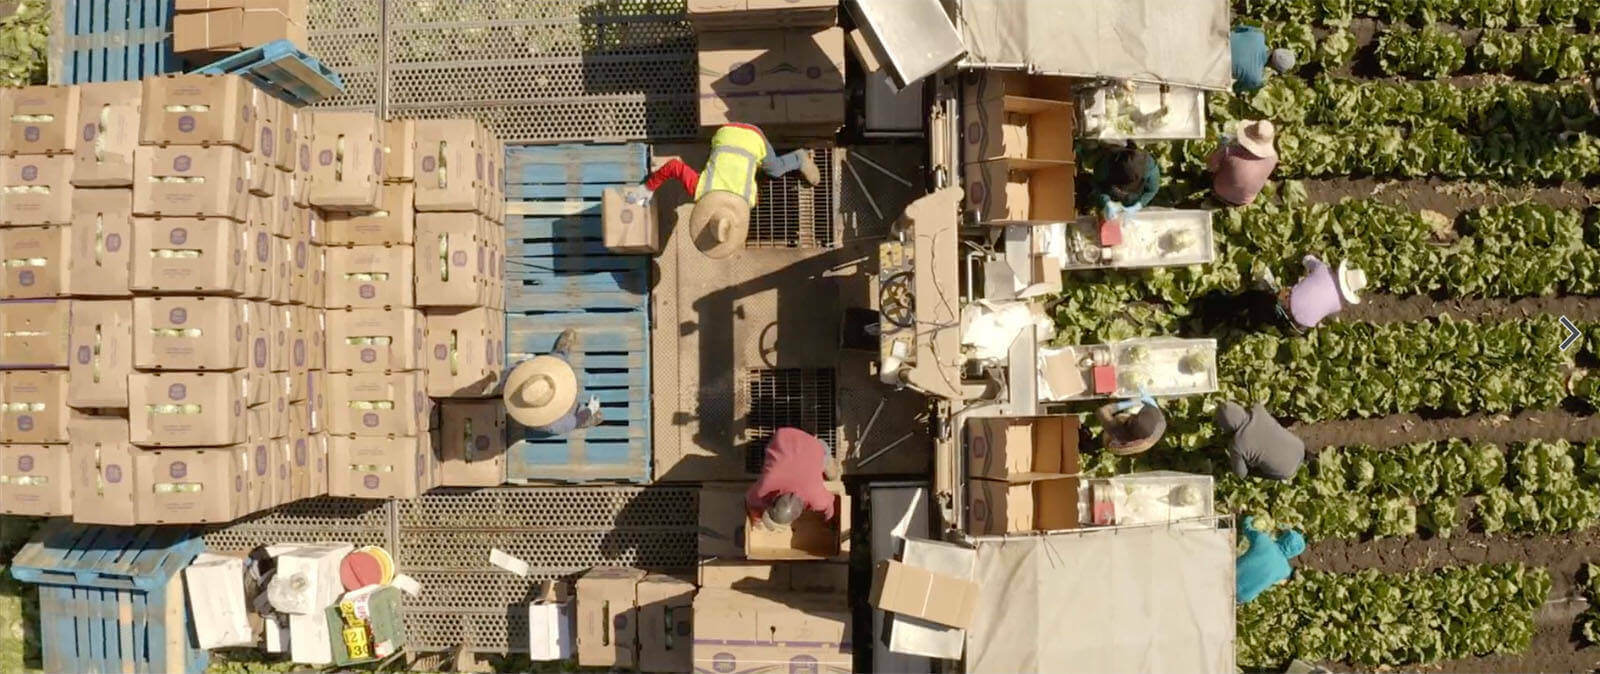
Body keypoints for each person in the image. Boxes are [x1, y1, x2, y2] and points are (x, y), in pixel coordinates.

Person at [635, 123, 821, 258]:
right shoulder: (700, 189)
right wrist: (647, 187)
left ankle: (799, 158)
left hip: (754, 136)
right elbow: (674, 166)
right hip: (724, 132)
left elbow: (754, 188)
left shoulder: (749, 199)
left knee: (774, 170)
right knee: (713, 161)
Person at [503, 329, 602, 435]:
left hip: (541, 379)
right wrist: (590, 410)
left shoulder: (513, 380)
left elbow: (512, 370)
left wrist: (523, 362)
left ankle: (561, 351)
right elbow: (575, 420)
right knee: (583, 415)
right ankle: (588, 420)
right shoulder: (552, 425)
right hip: (564, 413)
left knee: (556, 361)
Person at [746, 427, 841, 530]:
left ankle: (818, 444)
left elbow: (829, 508)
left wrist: (755, 520)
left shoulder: (817, 499)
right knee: (831, 476)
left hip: (806, 442)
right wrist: (756, 519)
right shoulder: (766, 485)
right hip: (783, 437)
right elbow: (751, 500)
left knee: (833, 475)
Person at [1256, 255, 1368, 331]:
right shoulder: (1339, 305)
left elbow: (1307, 259)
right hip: (1296, 328)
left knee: (1280, 291)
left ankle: (1265, 286)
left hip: (1284, 306)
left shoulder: (1323, 269)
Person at [1217, 400, 1306, 480]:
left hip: (1286, 471)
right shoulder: (1258, 409)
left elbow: (1241, 474)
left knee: (1250, 472)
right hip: (1300, 448)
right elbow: (1256, 404)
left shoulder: (1237, 445)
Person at [1209, 119, 1279, 207]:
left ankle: (1215, 196)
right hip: (1245, 201)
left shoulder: (1229, 151)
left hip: (1220, 192)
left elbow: (1211, 167)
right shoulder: (1274, 158)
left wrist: (1222, 146)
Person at [1236, 515, 1306, 603]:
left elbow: (1246, 527)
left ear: (1283, 538)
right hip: (1241, 598)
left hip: (1229, 577)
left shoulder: (1263, 540)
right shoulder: (1285, 571)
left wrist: (1249, 517)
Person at [1093, 141, 1161, 218]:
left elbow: (1152, 190)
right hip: (1111, 194)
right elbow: (1097, 185)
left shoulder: (1149, 167)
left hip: (1134, 200)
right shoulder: (1105, 165)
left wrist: (1139, 205)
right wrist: (1106, 202)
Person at [1231, 25, 1297, 94]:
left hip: (1220, 40)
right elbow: (1235, 88)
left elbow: (1237, 28)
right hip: (1219, 65)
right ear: (1274, 68)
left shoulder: (1258, 34)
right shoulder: (1255, 79)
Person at [1095, 393, 1166, 455]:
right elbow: (1155, 411)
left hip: (1114, 440)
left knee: (1117, 417)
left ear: (1129, 421)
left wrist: (1129, 403)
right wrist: (1152, 405)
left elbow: (1102, 411)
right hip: (1145, 435)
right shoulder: (1161, 423)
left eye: (1134, 415)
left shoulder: (1118, 434)